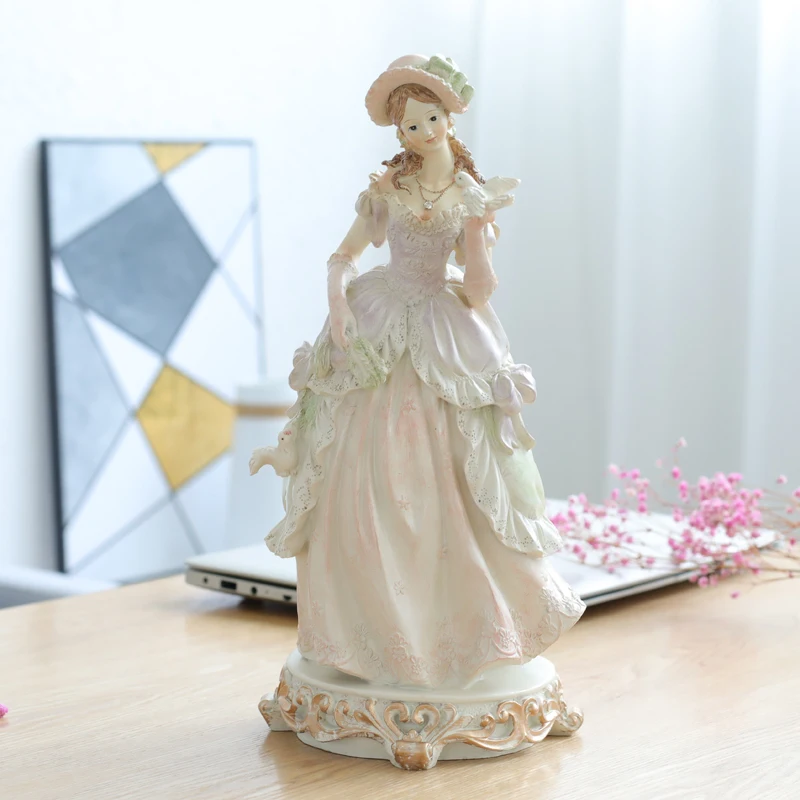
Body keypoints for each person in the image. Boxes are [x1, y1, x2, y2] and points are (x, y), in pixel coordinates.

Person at [251, 54, 585, 689]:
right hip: (378, 317)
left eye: (431, 119)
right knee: (360, 461)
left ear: (449, 119)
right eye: (409, 125)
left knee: (454, 466)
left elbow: (479, 292)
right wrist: (337, 304)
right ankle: (367, 628)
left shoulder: (468, 195)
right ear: (397, 132)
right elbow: (343, 256)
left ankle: (460, 629)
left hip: (444, 327)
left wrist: (478, 234)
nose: (422, 132)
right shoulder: (388, 189)